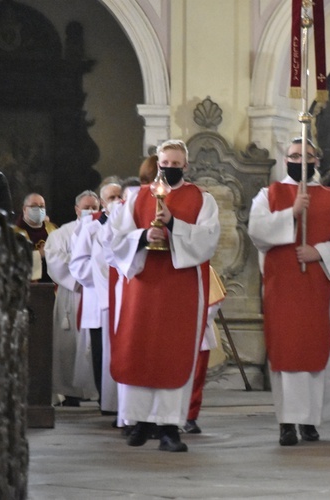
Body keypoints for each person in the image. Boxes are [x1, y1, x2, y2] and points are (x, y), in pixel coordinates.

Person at [109, 139, 220, 452]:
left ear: (185, 165)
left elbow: (209, 238)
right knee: (140, 349)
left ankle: (170, 427)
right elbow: (115, 239)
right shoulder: (135, 197)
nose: (170, 169)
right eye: (165, 164)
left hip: (181, 286)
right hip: (143, 286)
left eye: (176, 164)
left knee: (174, 352)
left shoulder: (201, 198)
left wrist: (173, 226)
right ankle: (139, 422)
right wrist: (144, 236)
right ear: (156, 163)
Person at [248, 137, 330, 446]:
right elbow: (256, 229)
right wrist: (291, 213)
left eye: (307, 156)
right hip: (282, 287)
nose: (301, 161)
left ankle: (309, 422)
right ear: (286, 160)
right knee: (286, 354)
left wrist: (320, 252)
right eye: (295, 155)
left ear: (317, 161)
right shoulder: (268, 195)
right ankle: (287, 422)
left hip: (316, 286)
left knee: (314, 349)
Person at [69, 181, 123, 418]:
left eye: (119, 196)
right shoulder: (89, 224)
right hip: (98, 297)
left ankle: (124, 402)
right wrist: (102, 277)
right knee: (102, 351)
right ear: (102, 202)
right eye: (110, 197)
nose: (116, 201)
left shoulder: (129, 220)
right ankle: (105, 399)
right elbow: (78, 263)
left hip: (123, 295)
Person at [45, 190, 102, 407]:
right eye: (86, 207)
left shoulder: (104, 230)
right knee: (68, 345)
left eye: (94, 207)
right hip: (72, 293)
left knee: (93, 344)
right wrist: (83, 272)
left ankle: (96, 391)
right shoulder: (61, 234)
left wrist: (83, 265)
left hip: (95, 294)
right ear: (77, 209)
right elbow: (54, 259)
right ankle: (70, 392)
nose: (90, 211)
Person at [183, 266, 226, 434]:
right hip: (172, 329)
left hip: (198, 329)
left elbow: (215, 301)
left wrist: (195, 319)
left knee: (195, 378)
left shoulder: (204, 268)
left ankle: (190, 417)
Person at [14, 192, 58, 282]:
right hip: (31, 287)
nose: (39, 209)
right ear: (24, 209)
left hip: (54, 284)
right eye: (34, 206)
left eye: (42, 206)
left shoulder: (52, 228)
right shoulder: (15, 233)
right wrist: (39, 254)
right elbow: (15, 262)